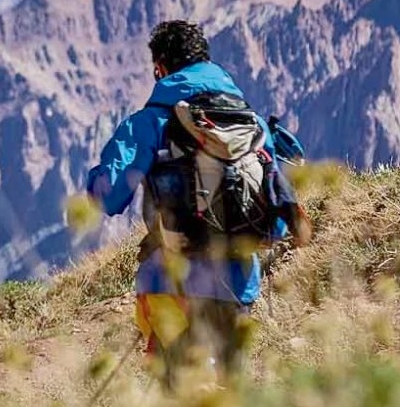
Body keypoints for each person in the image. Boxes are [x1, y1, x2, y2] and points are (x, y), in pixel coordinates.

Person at [86, 19, 302, 381]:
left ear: (161, 68)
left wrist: (95, 179)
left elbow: (108, 197)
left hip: (171, 283)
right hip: (238, 286)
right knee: (226, 400)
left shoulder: (150, 122)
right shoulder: (252, 125)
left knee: (180, 398)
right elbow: (279, 218)